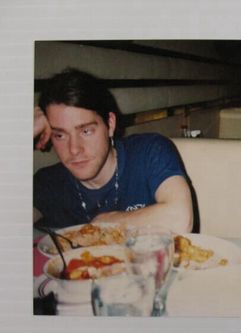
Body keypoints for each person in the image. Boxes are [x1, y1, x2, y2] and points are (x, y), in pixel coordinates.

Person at [34, 68, 193, 233]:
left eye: (86, 131)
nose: (74, 149)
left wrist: (105, 223)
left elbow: (181, 219)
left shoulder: (149, 152)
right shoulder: (48, 182)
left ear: (110, 124)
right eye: (60, 135)